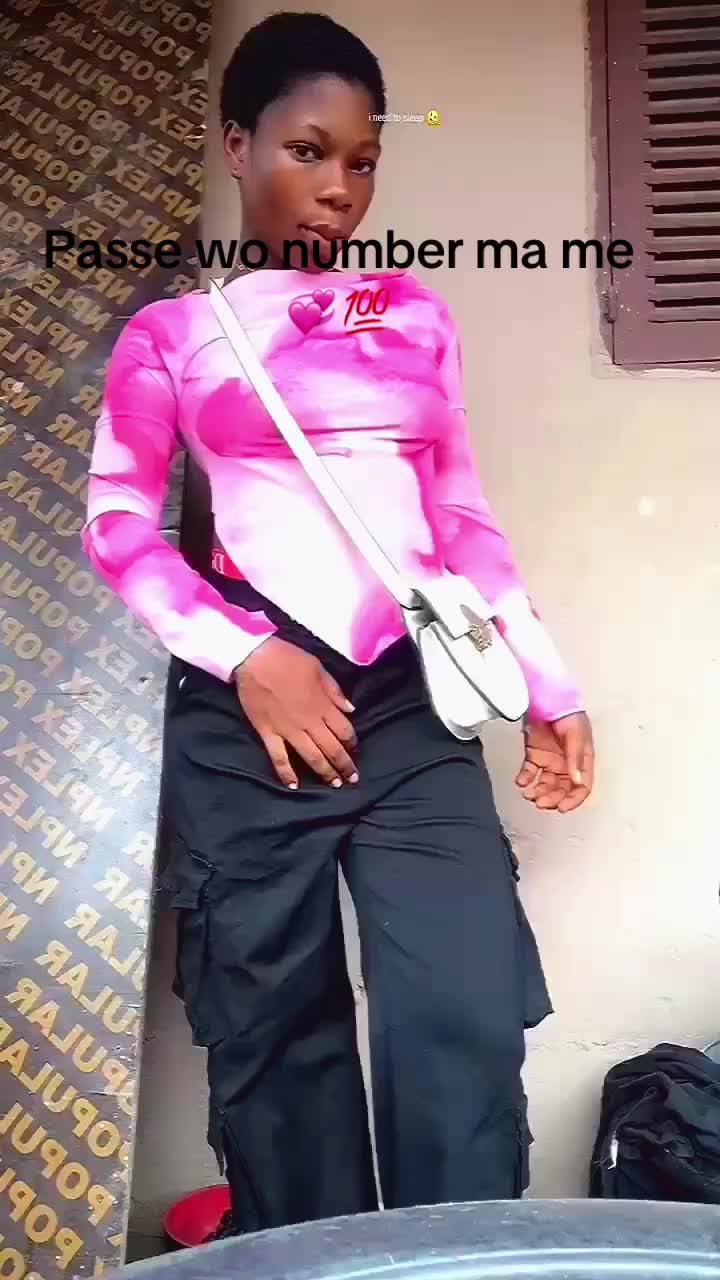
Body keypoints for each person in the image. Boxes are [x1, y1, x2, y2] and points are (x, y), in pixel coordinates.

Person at [82, 10, 595, 1239]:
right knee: (276, 1045)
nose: (337, 189)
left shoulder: (415, 315)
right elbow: (118, 526)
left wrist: (548, 684)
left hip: (409, 696)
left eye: (362, 161)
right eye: (307, 151)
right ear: (237, 145)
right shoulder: (171, 335)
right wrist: (249, 655)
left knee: (464, 1011)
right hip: (250, 716)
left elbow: (458, 518)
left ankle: (459, 1260)